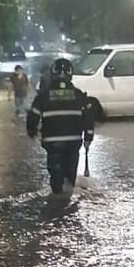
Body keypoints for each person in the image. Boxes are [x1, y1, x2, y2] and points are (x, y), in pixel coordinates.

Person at [27, 58, 95, 195]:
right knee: (70, 178)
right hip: (73, 143)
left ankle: (57, 201)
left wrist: (32, 131)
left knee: (56, 179)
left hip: (52, 144)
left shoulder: (43, 96)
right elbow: (89, 118)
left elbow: (33, 117)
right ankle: (67, 204)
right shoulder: (79, 95)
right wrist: (88, 137)